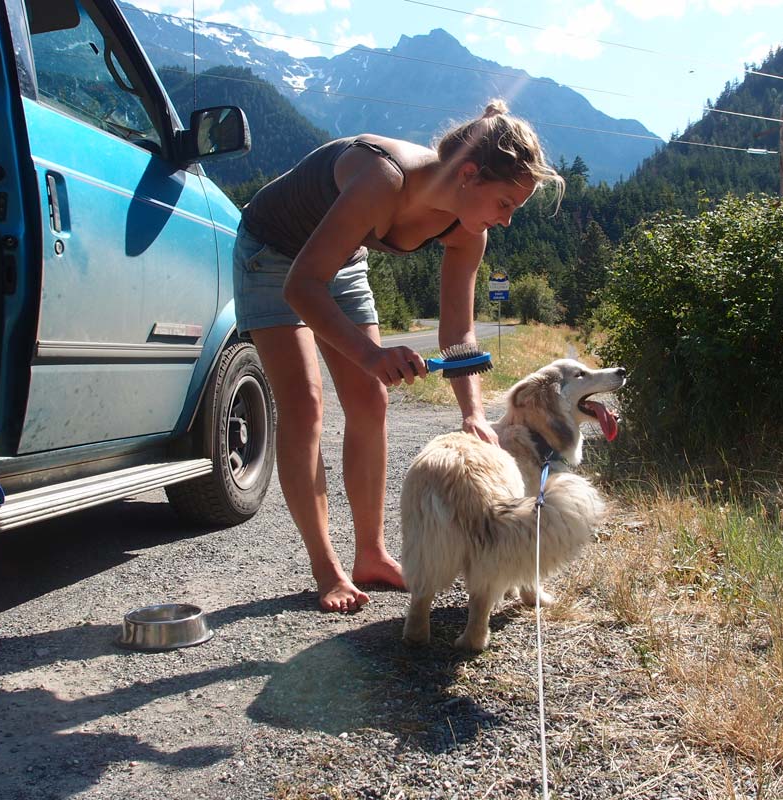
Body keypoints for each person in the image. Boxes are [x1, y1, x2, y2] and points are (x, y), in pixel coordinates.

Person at [232, 99, 564, 612]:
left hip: (340, 260)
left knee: (371, 402)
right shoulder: (383, 178)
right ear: (470, 175)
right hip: (271, 255)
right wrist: (370, 354)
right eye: (505, 205)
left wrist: (472, 411)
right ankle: (327, 570)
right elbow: (301, 285)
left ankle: (371, 555)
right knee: (305, 406)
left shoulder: (465, 231)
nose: (506, 221)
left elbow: (458, 330)